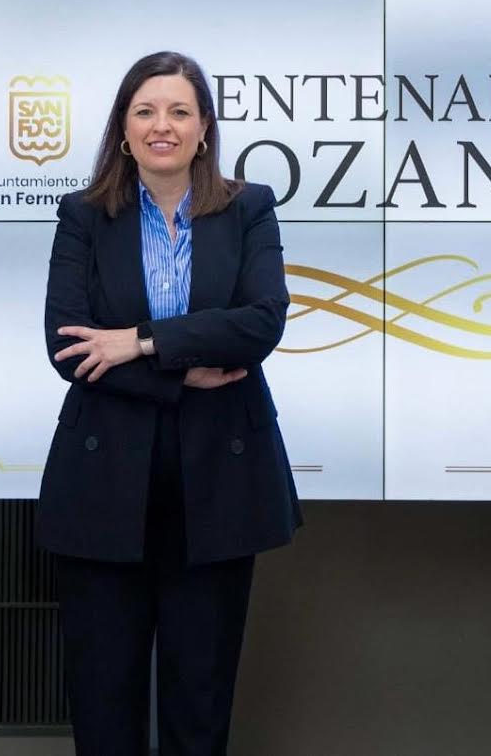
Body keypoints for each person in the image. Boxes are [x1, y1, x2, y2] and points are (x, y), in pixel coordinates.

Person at [40, 50, 300, 755]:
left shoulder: (248, 208)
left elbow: (260, 324)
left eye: (180, 111)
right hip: (101, 490)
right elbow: (67, 344)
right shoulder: (83, 217)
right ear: (123, 130)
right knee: (103, 709)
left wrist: (140, 341)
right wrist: (179, 372)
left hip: (219, 486)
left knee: (199, 708)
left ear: (205, 129)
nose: (163, 125)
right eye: (146, 111)